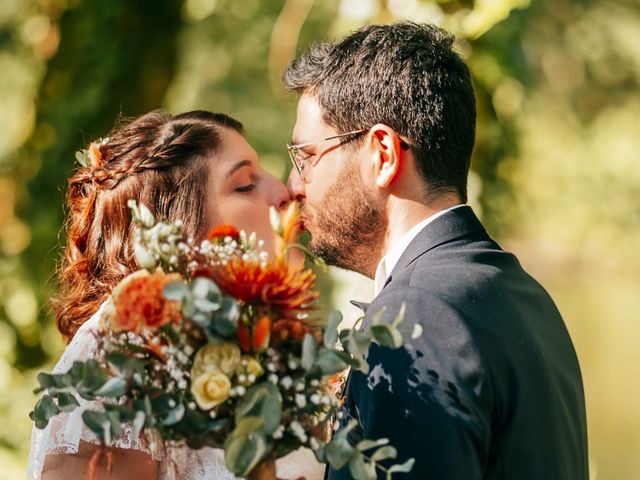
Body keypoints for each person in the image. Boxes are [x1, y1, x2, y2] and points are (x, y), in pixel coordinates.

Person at [284, 22, 589, 479]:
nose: (294, 186)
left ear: (382, 154)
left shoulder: (412, 315)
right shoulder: (522, 293)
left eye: (306, 157)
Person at [27, 110, 323, 480]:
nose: (284, 192)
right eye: (245, 185)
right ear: (177, 230)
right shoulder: (123, 349)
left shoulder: (256, 342)